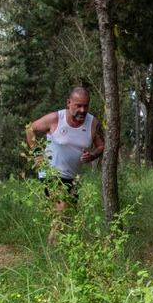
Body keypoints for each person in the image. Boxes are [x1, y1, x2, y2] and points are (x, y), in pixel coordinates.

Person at [26, 87, 105, 245]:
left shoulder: (92, 123)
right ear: (69, 103)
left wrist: (92, 155)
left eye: (86, 106)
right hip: (50, 173)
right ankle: (51, 249)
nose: (82, 110)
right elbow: (30, 129)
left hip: (72, 177)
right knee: (62, 208)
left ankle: (65, 248)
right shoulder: (56, 118)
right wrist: (37, 153)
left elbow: (101, 146)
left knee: (70, 216)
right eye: (78, 105)